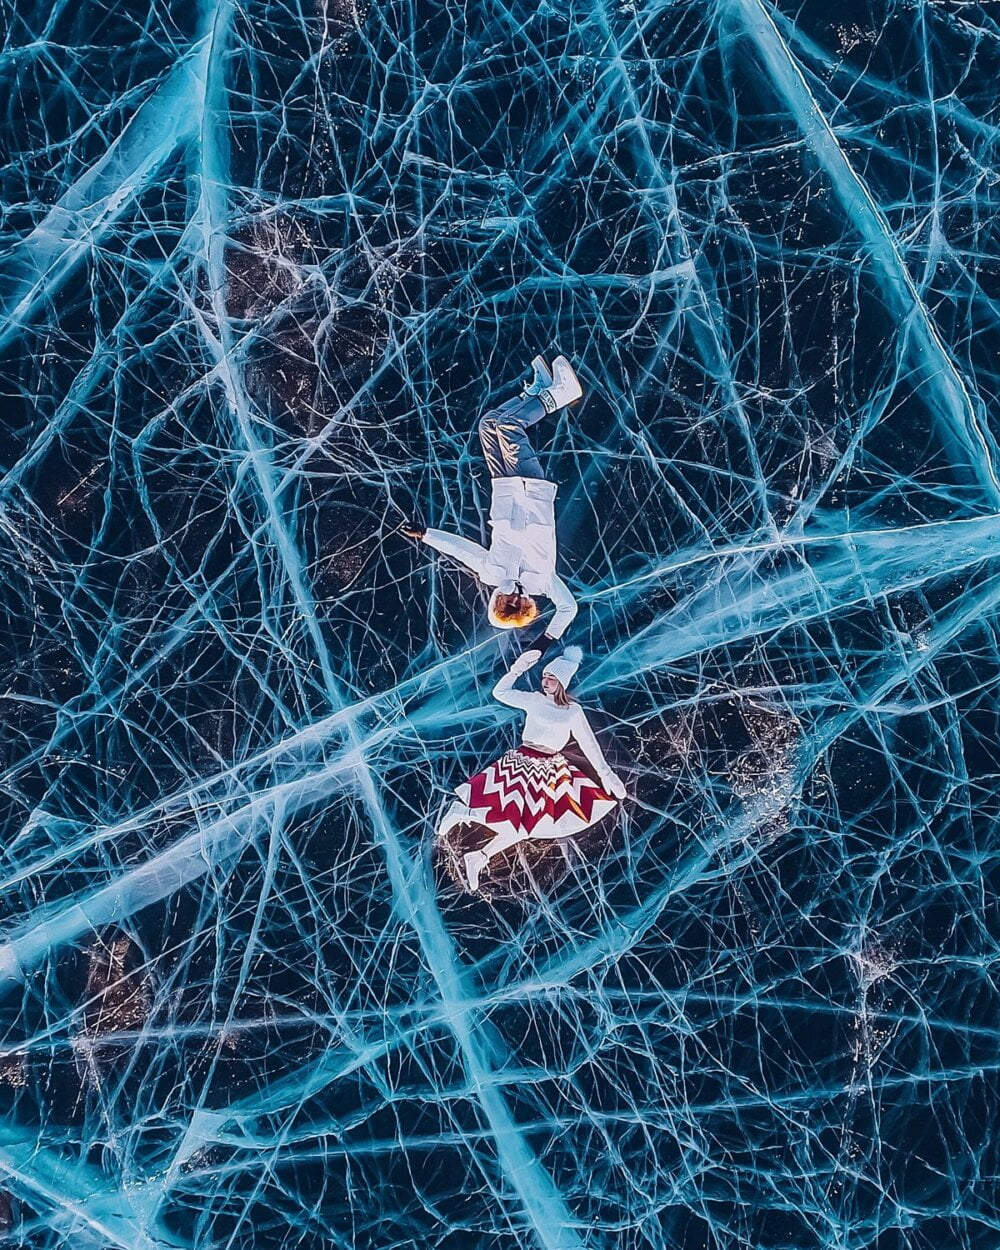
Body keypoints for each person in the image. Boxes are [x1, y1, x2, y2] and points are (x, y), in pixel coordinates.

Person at [401, 355, 584, 649]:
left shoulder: (491, 573)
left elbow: (461, 550)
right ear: (521, 604)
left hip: (504, 488)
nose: (504, 596)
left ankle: (537, 391)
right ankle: (562, 394)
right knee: (510, 427)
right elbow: (569, 608)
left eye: (499, 601)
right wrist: (545, 641)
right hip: (531, 490)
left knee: (488, 424)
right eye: (509, 603)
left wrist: (426, 535)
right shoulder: (544, 583)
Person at [437, 646, 628, 892]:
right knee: (513, 818)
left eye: (551, 678)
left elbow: (589, 744)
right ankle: (464, 813)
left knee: (526, 825)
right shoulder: (535, 699)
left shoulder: (573, 711)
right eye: (544, 676)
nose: (545, 681)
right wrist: (517, 669)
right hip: (523, 762)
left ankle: (480, 856)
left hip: (550, 770)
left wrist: (607, 776)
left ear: (562, 681)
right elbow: (501, 692)